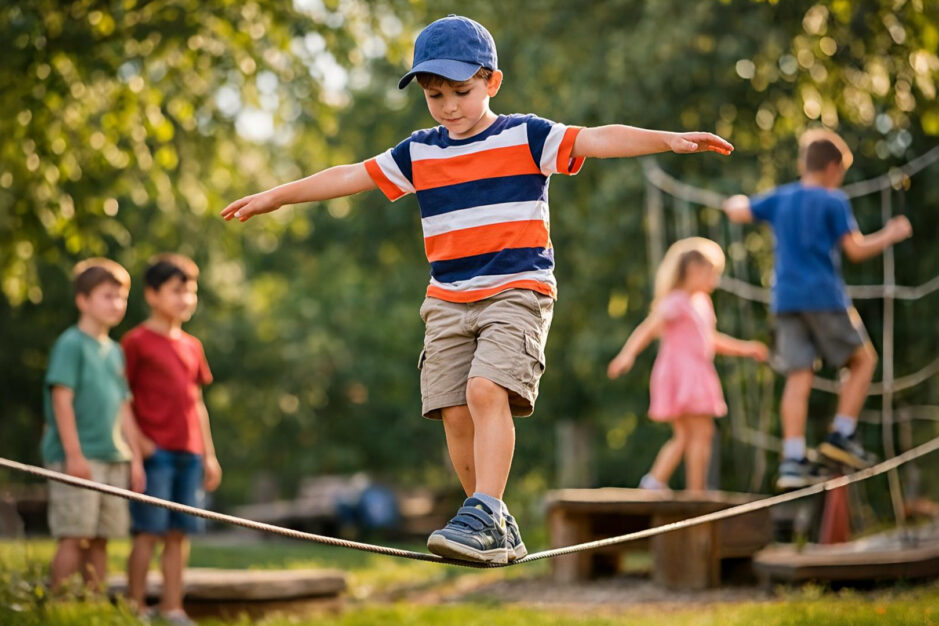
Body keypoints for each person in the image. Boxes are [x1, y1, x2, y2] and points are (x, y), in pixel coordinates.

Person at [220, 15, 733, 564]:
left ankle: (486, 511)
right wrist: (277, 195)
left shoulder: (527, 136)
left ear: (492, 82)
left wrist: (665, 140)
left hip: (518, 290)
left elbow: (597, 137)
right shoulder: (419, 152)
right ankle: (490, 521)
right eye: (434, 95)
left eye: (461, 92)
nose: (448, 107)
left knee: (485, 390)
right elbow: (349, 175)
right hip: (446, 299)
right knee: (451, 406)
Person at [722, 129, 913, 490]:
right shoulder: (833, 200)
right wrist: (890, 233)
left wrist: (734, 200)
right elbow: (855, 250)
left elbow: (737, 211)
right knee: (863, 361)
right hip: (824, 297)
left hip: (785, 301)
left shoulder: (780, 198)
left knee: (799, 376)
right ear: (833, 167)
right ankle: (842, 434)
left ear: (804, 164)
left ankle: (793, 458)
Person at [607, 238, 767, 492]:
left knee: (686, 436)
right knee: (701, 433)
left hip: (695, 372)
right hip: (683, 374)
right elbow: (648, 329)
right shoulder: (676, 301)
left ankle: (654, 482)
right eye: (711, 273)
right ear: (693, 269)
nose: (714, 281)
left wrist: (747, 349)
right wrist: (627, 355)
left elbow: (710, 340)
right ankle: (696, 491)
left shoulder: (702, 303)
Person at [123, 254, 221, 624]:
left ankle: (172, 607)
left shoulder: (192, 345)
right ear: (152, 294)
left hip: (189, 455)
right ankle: (135, 608)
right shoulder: (136, 342)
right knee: (148, 532)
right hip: (155, 454)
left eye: (191, 291)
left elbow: (197, 403)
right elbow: (122, 399)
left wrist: (208, 454)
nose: (186, 299)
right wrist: (139, 444)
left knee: (180, 534)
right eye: (177, 291)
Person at [41, 258, 145, 591]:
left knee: (102, 539)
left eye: (122, 297)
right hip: (79, 458)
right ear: (83, 301)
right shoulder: (71, 344)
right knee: (75, 535)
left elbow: (124, 408)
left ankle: (93, 605)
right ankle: (56, 606)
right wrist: (74, 455)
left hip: (113, 457)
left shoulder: (115, 351)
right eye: (108, 296)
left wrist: (135, 459)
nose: (117, 304)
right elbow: (61, 401)